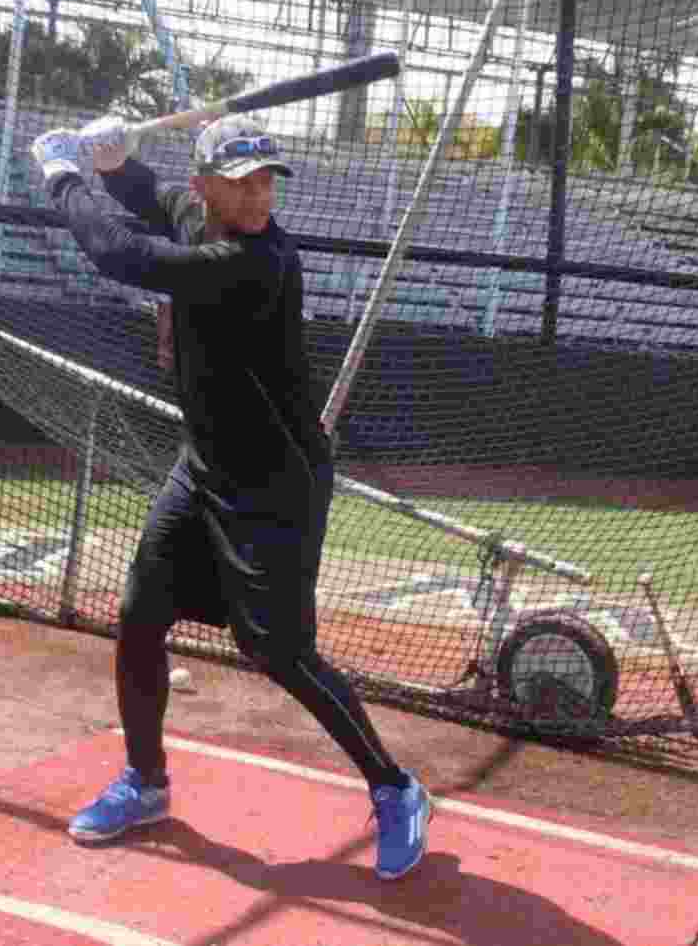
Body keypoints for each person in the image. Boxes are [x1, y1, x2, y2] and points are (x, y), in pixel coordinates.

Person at [30, 114, 430, 880]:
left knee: (276, 651)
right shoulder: (201, 217)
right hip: (204, 465)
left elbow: (126, 252)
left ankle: (395, 787)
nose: (259, 196)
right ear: (208, 185)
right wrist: (118, 164)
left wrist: (65, 174)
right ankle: (145, 782)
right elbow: (157, 201)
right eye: (243, 182)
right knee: (141, 614)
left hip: (274, 485)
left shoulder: (256, 259)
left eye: (267, 180)